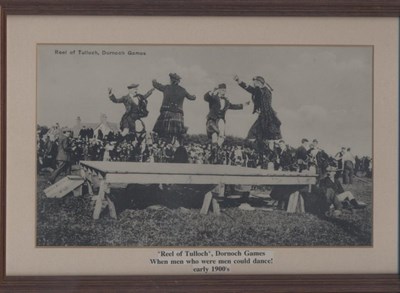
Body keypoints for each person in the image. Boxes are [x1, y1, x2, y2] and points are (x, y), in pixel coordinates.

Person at [204, 83, 247, 163]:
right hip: (212, 120)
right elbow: (206, 97)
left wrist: (243, 105)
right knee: (214, 136)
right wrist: (213, 89)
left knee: (222, 137)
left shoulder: (226, 101)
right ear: (219, 90)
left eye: (225, 90)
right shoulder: (213, 97)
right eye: (222, 90)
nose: (224, 91)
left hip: (221, 120)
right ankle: (214, 154)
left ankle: (214, 153)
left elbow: (233, 106)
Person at [234, 75, 282, 143]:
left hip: (268, 117)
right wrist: (238, 81)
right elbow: (248, 88)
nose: (253, 83)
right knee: (256, 136)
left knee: (259, 136)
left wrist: (260, 110)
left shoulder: (265, 91)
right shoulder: (259, 90)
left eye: (255, 82)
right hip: (263, 116)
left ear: (259, 83)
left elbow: (266, 103)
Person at [152, 73, 196, 145]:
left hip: (166, 113)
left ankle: (164, 146)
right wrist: (194, 96)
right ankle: (174, 145)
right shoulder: (183, 90)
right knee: (176, 134)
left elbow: (156, 85)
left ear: (171, 80)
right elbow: (192, 98)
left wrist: (154, 81)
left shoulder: (166, 87)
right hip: (177, 115)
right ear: (178, 81)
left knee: (162, 134)